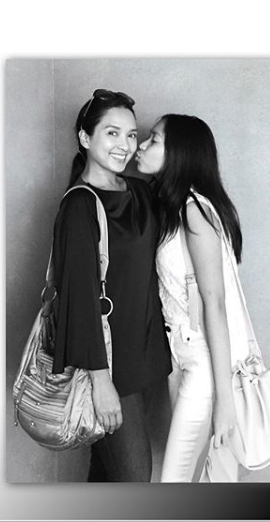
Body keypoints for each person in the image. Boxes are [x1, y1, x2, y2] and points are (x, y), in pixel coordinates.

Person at [52, 89, 172, 482]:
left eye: (132, 135)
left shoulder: (141, 191)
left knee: (106, 475)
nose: (125, 144)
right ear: (85, 138)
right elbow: (80, 300)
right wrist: (101, 382)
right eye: (112, 133)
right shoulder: (79, 205)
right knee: (134, 479)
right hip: (109, 369)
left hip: (146, 358)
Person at [136, 114, 246, 482]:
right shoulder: (172, 207)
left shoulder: (194, 210)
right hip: (179, 356)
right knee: (194, 480)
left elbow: (216, 303)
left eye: (154, 139)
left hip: (203, 362)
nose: (141, 146)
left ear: (179, 153)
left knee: (175, 479)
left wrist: (225, 401)